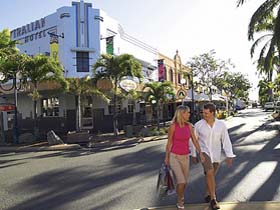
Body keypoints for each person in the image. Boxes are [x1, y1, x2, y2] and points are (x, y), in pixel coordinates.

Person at [191, 103, 236, 210]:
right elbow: (193, 140)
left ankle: (208, 193)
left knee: (211, 175)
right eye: (203, 113)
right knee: (210, 172)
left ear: (212, 113)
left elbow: (226, 140)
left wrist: (229, 155)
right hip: (204, 152)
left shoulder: (221, 125)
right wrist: (193, 154)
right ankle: (213, 199)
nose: (204, 115)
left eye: (206, 113)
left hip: (216, 154)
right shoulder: (198, 125)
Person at [164, 105, 205, 210]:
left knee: (184, 182)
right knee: (181, 181)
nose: (189, 114)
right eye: (187, 112)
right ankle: (180, 199)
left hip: (186, 157)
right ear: (181, 114)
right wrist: (167, 157)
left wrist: (200, 153)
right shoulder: (173, 126)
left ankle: (180, 195)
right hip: (174, 157)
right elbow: (169, 143)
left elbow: (195, 141)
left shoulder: (190, 126)